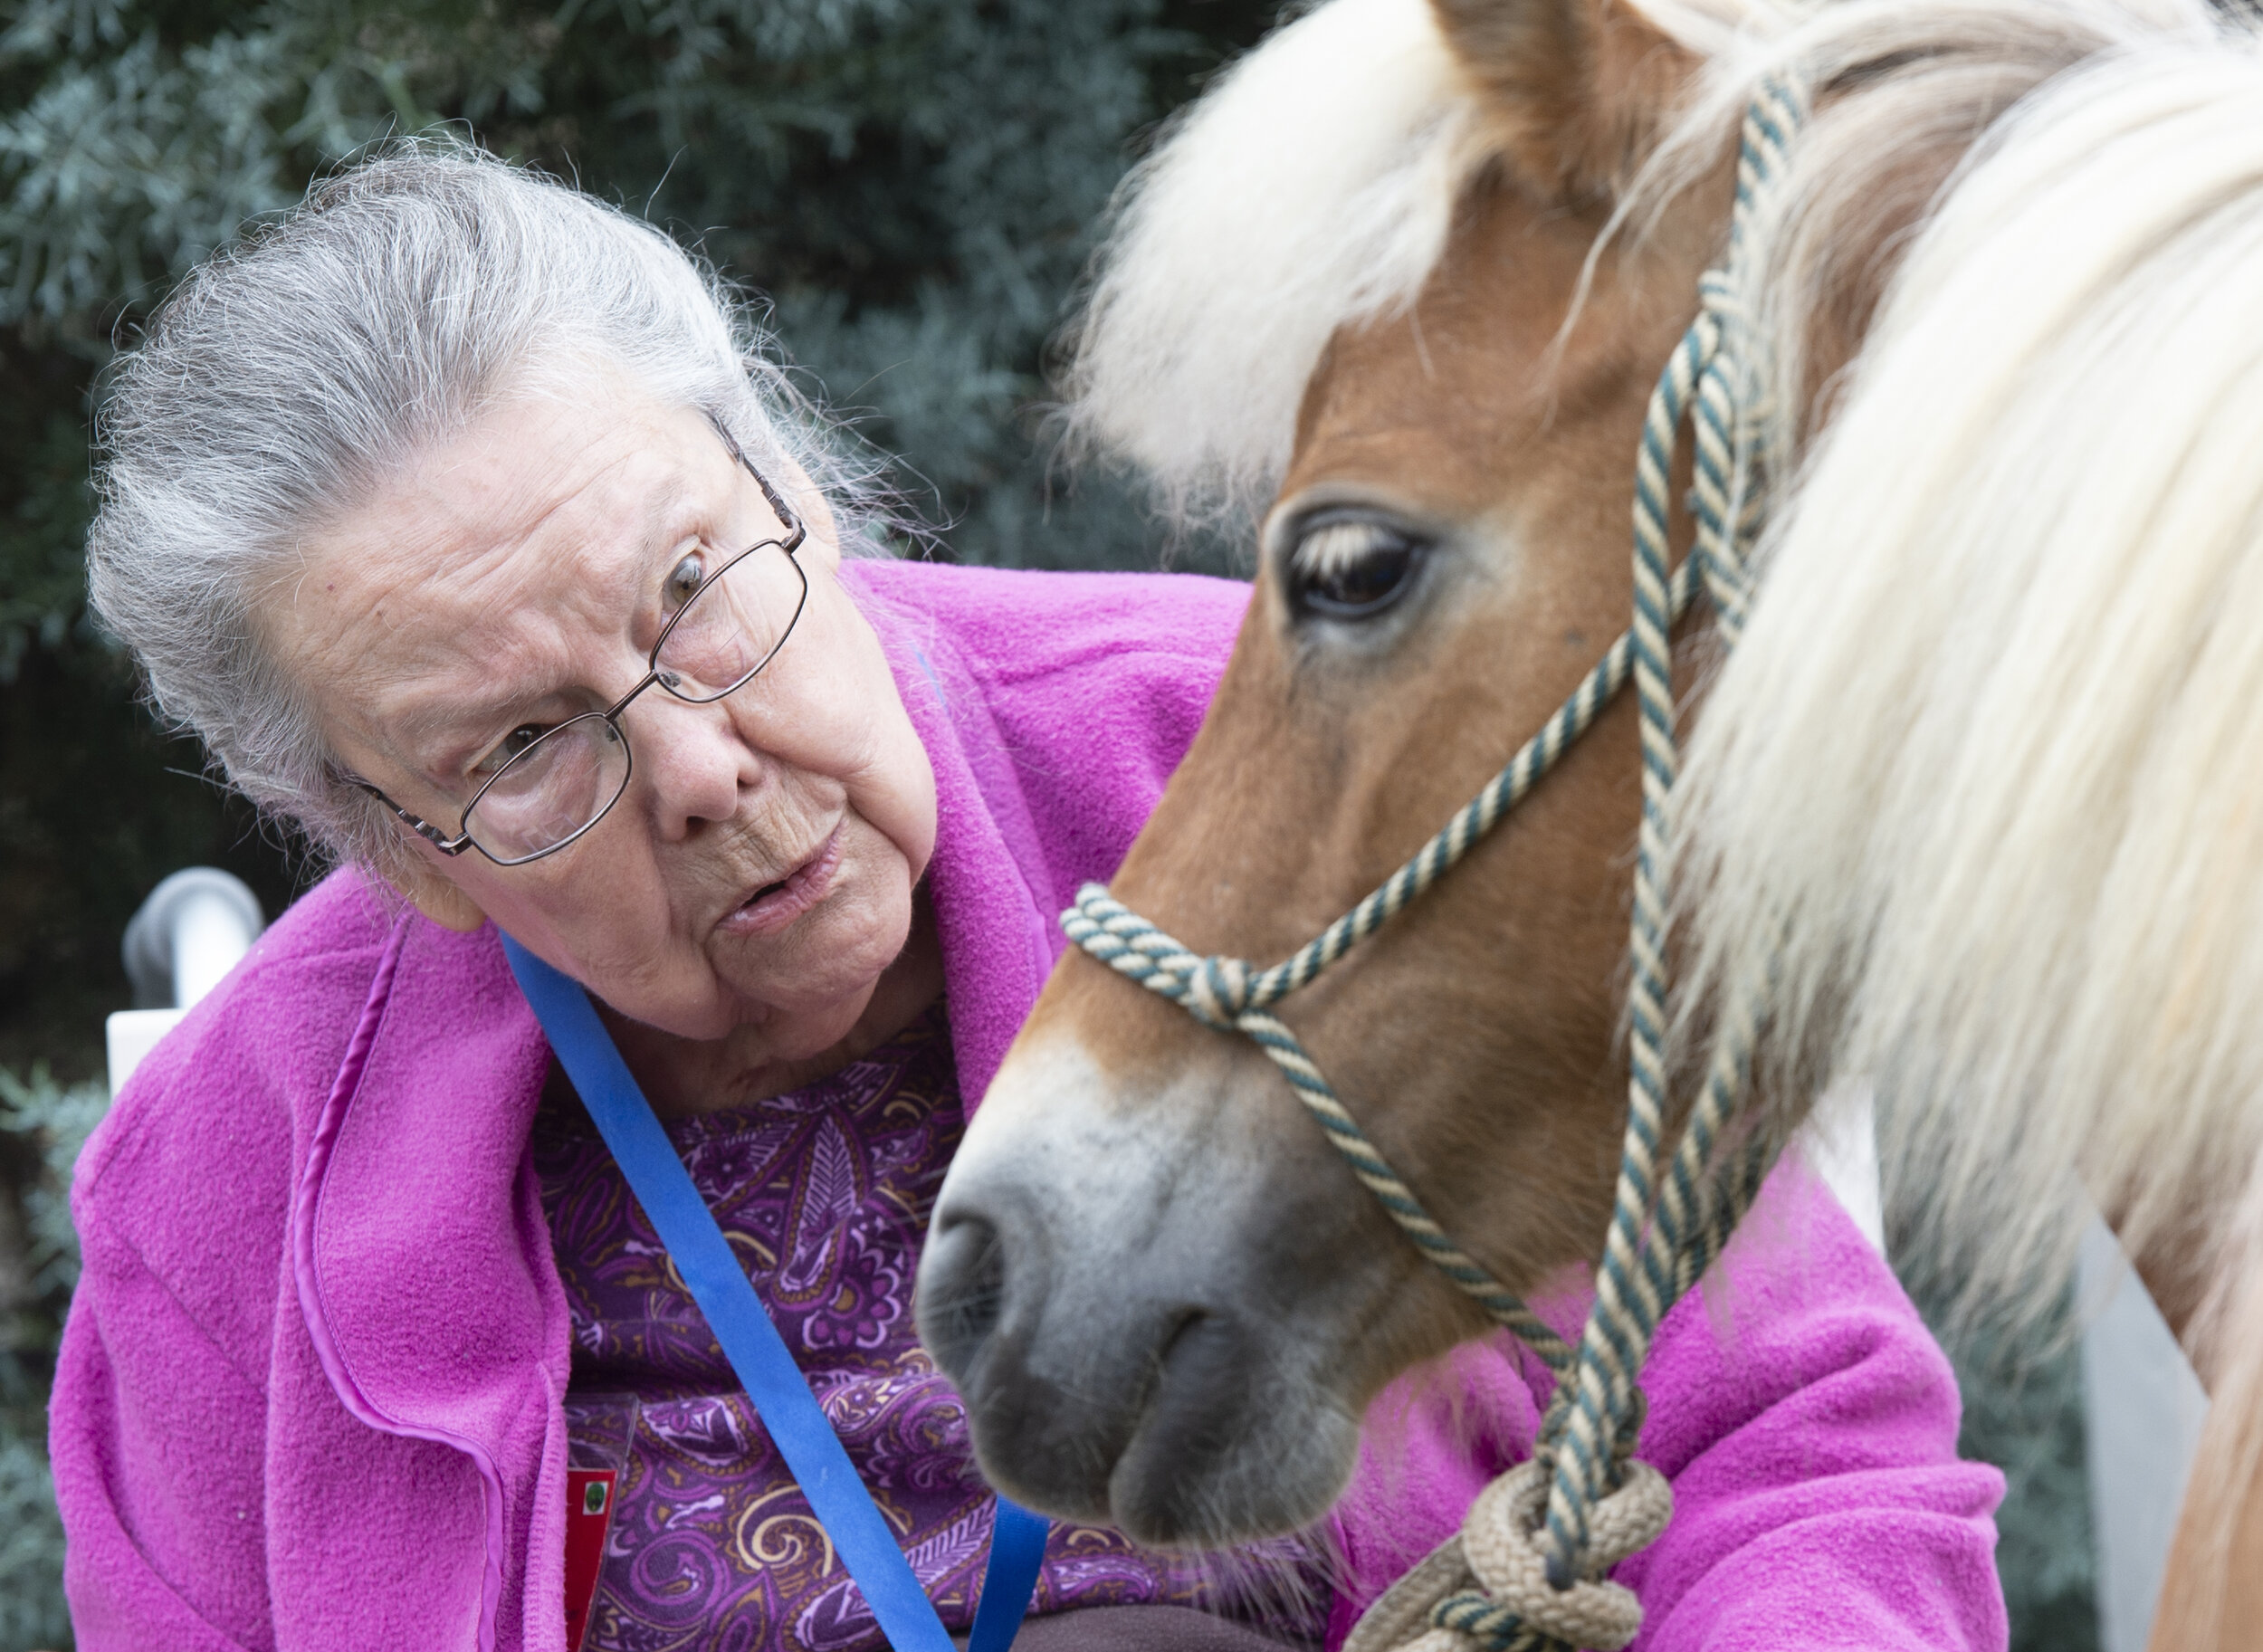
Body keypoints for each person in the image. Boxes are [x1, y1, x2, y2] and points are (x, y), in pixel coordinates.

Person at [50, 141, 2008, 1652]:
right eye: (520, 751)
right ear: (395, 846)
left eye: (693, 592)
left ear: (797, 483)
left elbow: (1793, 1459)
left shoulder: (1295, 766)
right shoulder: (236, 1187)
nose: (702, 772)